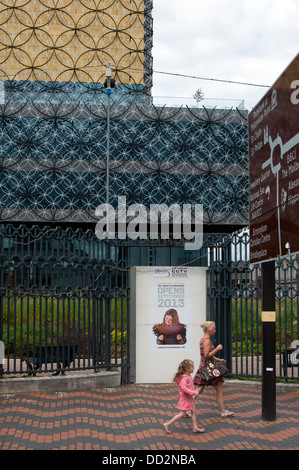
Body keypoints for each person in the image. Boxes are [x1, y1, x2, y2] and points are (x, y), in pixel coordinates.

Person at [193, 321, 234, 418]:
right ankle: (223, 411)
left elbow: (206, 355)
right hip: (210, 369)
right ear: (210, 330)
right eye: (214, 329)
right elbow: (207, 356)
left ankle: (186, 408)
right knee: (219, 390)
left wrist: (218, 359)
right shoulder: (207, 341)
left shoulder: (203, 339)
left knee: (200, 389)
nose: (215, 331)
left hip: (204, 367)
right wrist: (217, 349)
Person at [163, 359, 205, 434]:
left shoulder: (188, 376)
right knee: (182, 414)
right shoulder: (185, 378)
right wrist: (193, 392)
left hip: (188, 398)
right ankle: (168, 424)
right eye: (192, 367)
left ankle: (195, 427)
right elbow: (183, 388)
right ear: (187, 369)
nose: (193, 368)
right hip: (186, 398)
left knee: (193, 412)